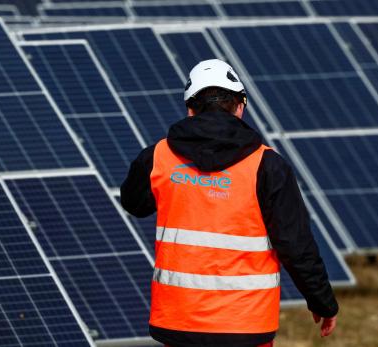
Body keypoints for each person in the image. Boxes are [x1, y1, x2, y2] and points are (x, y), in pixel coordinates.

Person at [120, 59, 338, 347]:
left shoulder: (158, 157)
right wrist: (321, 301)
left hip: (178, 322)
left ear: (190, 109)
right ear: (240, 107)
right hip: (246, 324)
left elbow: (134, 204)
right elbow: (296, 244)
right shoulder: (267, 165)